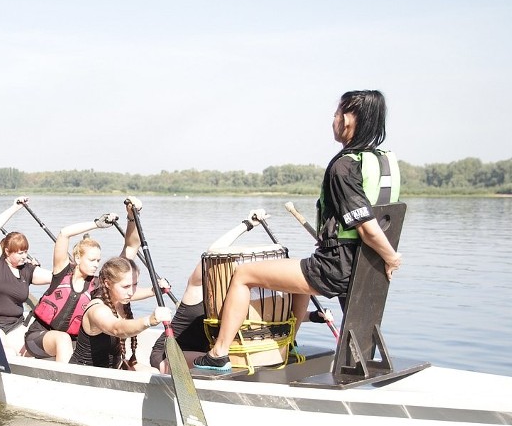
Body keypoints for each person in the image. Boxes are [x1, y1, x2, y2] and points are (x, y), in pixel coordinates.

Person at [196, 90, 402, 370]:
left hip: (338, 267)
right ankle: (291, 343)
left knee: (243, 275)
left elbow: (366, 226)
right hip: (366, 265)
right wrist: (382, 257)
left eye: (335, 114)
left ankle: (218, 354)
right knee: (301, 275)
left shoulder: (343, 166)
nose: (333, 121)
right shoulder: (381, 161)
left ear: (349, 119)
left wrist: (392, 257)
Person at [148, 212, 261, 374]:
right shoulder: (197, 289)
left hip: (207, 354)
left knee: (231, 359)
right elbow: (210, 253)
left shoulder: (239, 296)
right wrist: (247, 224)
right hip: (168, 353)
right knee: (229, 361)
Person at [22, 213, 117, 362]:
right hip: (39, 336)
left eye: (98, 260)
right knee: (63, 339)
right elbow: (64, 233)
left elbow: (126, 289)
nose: (96, 265)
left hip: (74, 343)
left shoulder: (97, 284)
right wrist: (96, 224)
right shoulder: (62, 272)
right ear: (78, 258)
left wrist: (152, 290)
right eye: (92, 260)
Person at [69, 256, 171, 370]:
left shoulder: (120, 298)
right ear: (107, 283)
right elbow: (116, 329)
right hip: (85, 373)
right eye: (126, 286)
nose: (131, 292)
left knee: (155, 373)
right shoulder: (97, 310)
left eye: (135, 284)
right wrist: (149, 321)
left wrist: (156, 290)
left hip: (113, 369)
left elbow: (140, 292)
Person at [0, 197, 53, 355]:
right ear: (7, 252)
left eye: (26, 252)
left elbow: (55, 276)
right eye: (20, 253)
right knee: (7, 352)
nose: (24, 256)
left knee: (28, 353)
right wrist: (15, 207)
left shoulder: (27, 270)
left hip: (16, 324)